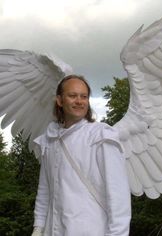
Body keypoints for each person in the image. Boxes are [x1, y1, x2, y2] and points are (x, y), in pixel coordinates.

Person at [31, 75, 131, 236]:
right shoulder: (50, 140)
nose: (79, 101)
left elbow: (118, 196)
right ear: (59, 100)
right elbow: (44, 191)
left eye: (84, 96)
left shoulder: (101, 136)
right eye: (72, 96)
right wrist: (38, 227)